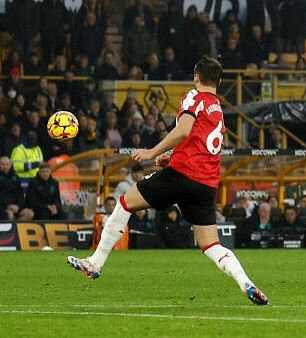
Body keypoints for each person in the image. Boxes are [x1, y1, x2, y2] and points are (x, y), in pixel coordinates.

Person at [67, 56, 268, 306]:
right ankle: (245, 282)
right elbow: (201, 143)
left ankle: (95, 263)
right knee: (211, 244)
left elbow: (184, 130)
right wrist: (171, 156)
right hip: (205, 184)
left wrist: (152, 153)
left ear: (196, 76)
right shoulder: (217, 108)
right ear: (219, 81)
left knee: (125, 202)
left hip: (182, 175)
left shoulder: (193, 97)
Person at [0, 156, 34, 221]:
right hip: (3, 207)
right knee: (9, 214)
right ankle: (13, 230)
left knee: (30, 214)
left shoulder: (15, 176)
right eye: (2, 164)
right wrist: (7, 206)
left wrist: (18, 206)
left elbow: (21, 194)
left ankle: (18, 226)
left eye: (7, 164)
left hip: (16, 206)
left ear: (10, 165)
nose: (5, 166)